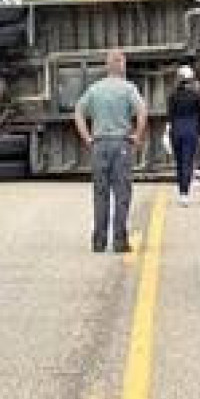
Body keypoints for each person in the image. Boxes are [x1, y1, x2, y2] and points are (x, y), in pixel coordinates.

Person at [74, 50, 149, 253]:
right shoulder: (128, 89)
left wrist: (88, 138)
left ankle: (99, 240)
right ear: (122, 66)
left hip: (98, 145)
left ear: (107, 66)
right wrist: (137, 136)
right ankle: (119, 240)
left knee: (101, 193)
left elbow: (79, 112)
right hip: (121, 144)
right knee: (121, 193)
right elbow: (142, 112)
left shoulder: (95, 89)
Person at [167, 65, 200, 206]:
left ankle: (181, 191)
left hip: (177, 129)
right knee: (188, 161)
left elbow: (170, 115)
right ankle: (185, 193)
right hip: (191, 129)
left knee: (179, 162)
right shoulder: (195, 96)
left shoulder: (172, 96)